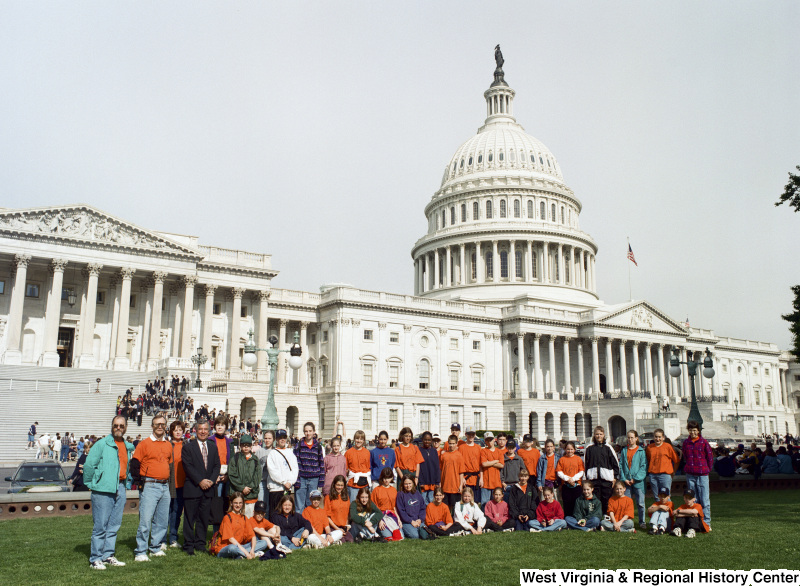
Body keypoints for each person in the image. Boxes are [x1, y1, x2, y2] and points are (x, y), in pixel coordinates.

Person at [84, 416, 133, 570]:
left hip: (120, 487)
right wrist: (91, 484)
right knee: (101, 525)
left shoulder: (127, 446)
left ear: (125, 427)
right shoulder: (102, 444)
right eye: (116, 425)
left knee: (114, 525)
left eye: (121, 425)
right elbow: (89, 465)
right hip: (103, 489)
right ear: (112, 426)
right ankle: (95, 558)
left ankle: (107, 555)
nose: (118, 428)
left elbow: (127, 466)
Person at [131, 414, 173, 562]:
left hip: (164, 485)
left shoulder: (168, 444)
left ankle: (155, 547)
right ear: (152, 426)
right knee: (146, 520)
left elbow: (168, 463)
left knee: (161, 520)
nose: (160, 426)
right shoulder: (144, 444)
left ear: (166, 426)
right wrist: (140, 483)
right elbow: (134, 465)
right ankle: (140, 551)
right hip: (149, 485)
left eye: (162, 424)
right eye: (157, 424)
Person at [181, 419, 221, 556]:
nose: (203, 432)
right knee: (189, 518)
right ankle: (188, 545)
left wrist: (210, 480)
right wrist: (200, 481)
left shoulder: (213, 446)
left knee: (203, 518)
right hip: (193, 488)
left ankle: (200, 543)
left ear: (209, 431)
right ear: (195, 430)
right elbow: (188, 466)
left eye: (205, 429)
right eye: (200, 429)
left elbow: (217, 465)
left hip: (208, 488)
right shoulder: (188, 447)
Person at [681, 421, 714, 530]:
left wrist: (707, 469)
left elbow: (710, 457)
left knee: (704, 499)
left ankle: (707, 523)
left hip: (702, 474)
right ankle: (695, 522)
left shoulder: (704, 442)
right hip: (691, 473)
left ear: (698, 431)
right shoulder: (686, 443)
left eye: (695, 430)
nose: (693, 432)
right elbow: (685, 455)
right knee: (693, 500)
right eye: (690, 430)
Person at [211, 492, 264, 559]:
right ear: (231, 503)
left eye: (240, 503)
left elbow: (252, 536)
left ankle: (240, 555)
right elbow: (231, 539)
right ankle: (245, 555)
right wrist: (246, 552)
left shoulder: (244, 518)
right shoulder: (227, 517)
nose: (238, 505)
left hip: (240, 546)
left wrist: (252, 550)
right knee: (232, 548)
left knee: (263, 542)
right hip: (225, 547)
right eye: (236, 503)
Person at [584, 426, 619, 513]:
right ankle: (596, 520)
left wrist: (615, 477)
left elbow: (615, 464)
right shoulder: (589, 448)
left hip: (606, 480)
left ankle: (606, 520)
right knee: (595, 501)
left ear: (604, 435)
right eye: (597, 434)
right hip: (593, 480)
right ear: (594, 435)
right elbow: (585, 464)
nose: (599, 436)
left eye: (600, 434)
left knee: (606, 501)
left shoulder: (608, 448)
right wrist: (585, 479)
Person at [293, 422, 325, 515]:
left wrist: (321, 481)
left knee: (310, 504)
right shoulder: (298, 446)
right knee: (299, 505)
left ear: (314, 432)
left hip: (314, 478)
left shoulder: (318, 446)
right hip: (302, 478)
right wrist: (297, 480)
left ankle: (309, 526)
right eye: (306, 431)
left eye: (310, 431)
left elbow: (321, 464)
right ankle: (299, 526)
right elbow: (295, 465)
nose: (308, 433)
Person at [266, 429, 299, 514]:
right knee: (275, 513)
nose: (282, 439)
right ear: (276, 439)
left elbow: (295, 469)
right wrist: (284, 482)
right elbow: (272, 471)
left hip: (286, 488)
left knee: (286, 512)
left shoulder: (290, 453)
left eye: (284, 437)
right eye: (280, 438)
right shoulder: (272, 453)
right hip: (275, 488)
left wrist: (290, 482)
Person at [228, 434, 261, 517]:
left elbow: (257, 476)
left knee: (249, 520)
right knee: (237, 519)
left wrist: (249, 488)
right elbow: (232, 475)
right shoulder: (235, 459)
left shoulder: (255, 460)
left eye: (248, 445)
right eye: (243, 445)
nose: (246, 447)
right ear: (240, 446)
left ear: (251, 446)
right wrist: (242, 488)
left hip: (251, 495)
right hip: (237, 494)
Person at [619, 430, 647, 529]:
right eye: (628, 437)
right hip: (626, 481)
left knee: (640, 503)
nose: (630, 439)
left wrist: (635, 479)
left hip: (638, 482)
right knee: (626, 503)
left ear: (636, 438)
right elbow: (621, 466)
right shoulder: (624, 450)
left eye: (632, 437)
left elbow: (643, 467)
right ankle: (627, 522)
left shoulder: (641, 451)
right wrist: (624, 478)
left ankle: (642, 522)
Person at [165, 420, 185, 548]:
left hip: (182, 484)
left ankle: (173, 537)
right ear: (172, 432)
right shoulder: (167, 445)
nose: (178, 432)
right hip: (169, 483)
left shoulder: (187, 445)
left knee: (177, 512)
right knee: (165, 512)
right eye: (175, 430)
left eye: (180, 430)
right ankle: (161, 539)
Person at [645, 428, 679, 498]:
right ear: (653, 437)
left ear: (663, 438)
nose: (658, 439)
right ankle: (659, 509)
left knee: (666, 497)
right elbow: (649, 460)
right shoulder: (649, 448)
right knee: (657, 497)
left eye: (659, 437)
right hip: (653, 475)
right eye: (656, 437)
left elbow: (676, 460)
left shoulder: (668, 446)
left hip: (665, 475)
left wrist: (673, 472)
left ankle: (668, 509)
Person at [555, 441, 584, 518]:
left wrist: (573, 479)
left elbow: (581, 471)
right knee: (567, 504)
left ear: (574, 450)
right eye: (568, 449)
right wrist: (567, 479)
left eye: (571, 449)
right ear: (565, 449)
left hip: (576, 485)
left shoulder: (578, 459)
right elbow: (559, 472)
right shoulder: (562, 459)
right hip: (566, 485)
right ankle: (568, 519)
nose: (570, 451)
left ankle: (577, 519)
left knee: (576, 504)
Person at [396, 474, 426, 539]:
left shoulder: (417, 493)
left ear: (413, 483)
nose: (408, 486)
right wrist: (411, 521)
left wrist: (420, 519)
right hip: (407, 522)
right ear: (403, 484)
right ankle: (404, 530)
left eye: (410, 483)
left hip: (418, 520)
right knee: (415, 536)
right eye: (406, 484)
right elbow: (401, 512)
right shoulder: (400, 494)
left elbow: (423, 508)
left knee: (425, 533)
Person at [439, 434, 465, 510]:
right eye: (450, 443)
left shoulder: (459, 455)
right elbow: (441, 470)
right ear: (448, 443)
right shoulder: (444, 455)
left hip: (455, 486)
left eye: (453, 443)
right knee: (445, 506)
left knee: (454, 507)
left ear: (456, 444)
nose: (452, 445)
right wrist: (440, 483)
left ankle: (454, 521)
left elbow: (461, 472)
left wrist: (460, 485)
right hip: (445, 486)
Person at [324, 475, 352, 543]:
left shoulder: (346, 497)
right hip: (333, 527)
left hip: (343, 527)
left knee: (350, 540)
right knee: (342, 541)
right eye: (338, 485)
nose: (340, 487)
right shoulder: (328, 497)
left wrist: (346, 527)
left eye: (341, 485)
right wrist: (337, 529)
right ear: (334, 485)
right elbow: (327, 517)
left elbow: (347, 514)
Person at [344, 430, 371, 501]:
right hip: (353, 485)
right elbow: (345, 469)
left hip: (365, 484)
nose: (359, 441)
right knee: (353, 506)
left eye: (361, 439)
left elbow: (369, 467)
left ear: (364, 441)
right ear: (354, 439)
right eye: (357, 438)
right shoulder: (348, 452)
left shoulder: (367, 452)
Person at [458, 426, 482, 501]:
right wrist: (462, 479)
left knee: (475, 501)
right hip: (466, 478)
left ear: (475, 435)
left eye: (473, 434)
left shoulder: (478, 447)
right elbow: (459, 464)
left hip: (476, 478)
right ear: (466, 434)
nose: (471, 436)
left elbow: (480, 464)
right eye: (469, 434)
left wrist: (481, 478)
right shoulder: (461, 447)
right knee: (465, 500)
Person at [479, 432, 503, 505]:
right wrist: (495, 461)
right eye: (487, 440)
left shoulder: (499, 451)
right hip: (486, 482)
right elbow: (483, 464)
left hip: (496, 482)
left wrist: (489, 462)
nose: (489, 442)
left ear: (494, 440)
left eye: (491, 439)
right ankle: (485, 516)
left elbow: (501, 465)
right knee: (485, 504)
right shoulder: (483, 451)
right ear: (485, 441)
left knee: (496, 503)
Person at [417, 431, 441, 505]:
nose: (427, 441)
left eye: (429, 440)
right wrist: (420, 482)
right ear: (422, 440)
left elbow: (437, 467)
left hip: (432, 482)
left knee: (431, 501)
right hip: (423, 482)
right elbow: (418, 467)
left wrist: (437, 481)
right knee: (423, 502)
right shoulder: (419, 450)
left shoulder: (434, 451)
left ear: (431, 440)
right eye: (425, 439)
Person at [253, 429, 275, 502]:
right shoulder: (259, 451)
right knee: (261, 503)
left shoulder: (275, 451)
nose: (267, 440)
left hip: (273, 482)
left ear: (273, 439)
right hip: (262, 481)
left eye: (269, 438)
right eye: (265, 438)